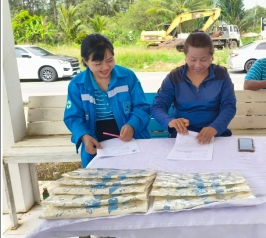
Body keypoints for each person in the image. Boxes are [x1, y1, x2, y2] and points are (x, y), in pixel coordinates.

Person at [64, 33, 151, 168]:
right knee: (99, 181)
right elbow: (73, 117)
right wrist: (85, 136)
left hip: (130, 136)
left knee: (138, 174)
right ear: (85, 61)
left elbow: (142, 107)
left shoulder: (127, 76)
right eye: (98, 63)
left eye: (110, 60)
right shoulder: (77, 85)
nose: (105, 67)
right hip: (96, 139)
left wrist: (132, 126)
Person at [151, 31, 236, 144]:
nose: (198, 65)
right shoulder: (174, 77)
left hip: (215, 135)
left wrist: (215, 127)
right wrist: (170, 121)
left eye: (204, 59)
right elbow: (158, 106)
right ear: (185, 55)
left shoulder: (221, 75)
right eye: (192, 59)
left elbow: (229, 106)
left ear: (212, 56)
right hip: (182, 136)